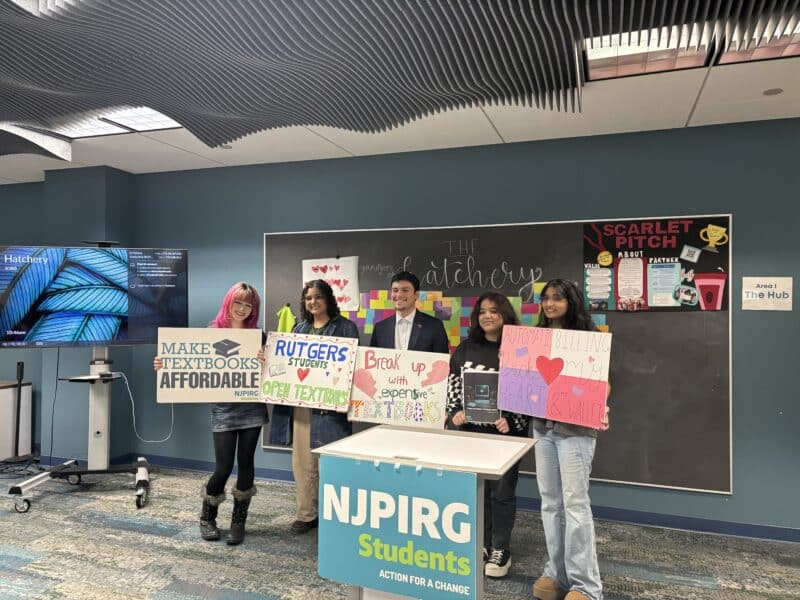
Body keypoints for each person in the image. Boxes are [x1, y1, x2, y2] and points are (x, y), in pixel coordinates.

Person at [153, 282, 266, 546]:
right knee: (223, 467)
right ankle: (207, 517)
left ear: (253, 309)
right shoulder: (211, 332)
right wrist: (164, 364)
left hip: (252, 407)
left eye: (248, 305)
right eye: (238, 302)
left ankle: (238, 521)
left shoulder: (258, 335)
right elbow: (187, 362)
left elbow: (272, 372)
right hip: (224, 409)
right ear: (229, 302)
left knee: (246, 464)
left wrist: (265, 361)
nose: (242, 309)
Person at [532, 279, 611, 600]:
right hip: (543, 428)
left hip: (575, 430)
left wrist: (600, 405)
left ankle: (586, 586)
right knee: (550, 503)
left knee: (575, 504)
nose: (550, 304)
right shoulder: (537, 337)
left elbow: (602, 381)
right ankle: (557, 574)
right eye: (546, 298)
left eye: (557, 298)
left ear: (571, 302)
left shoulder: (588, 337)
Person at [446, 291, 530, 578]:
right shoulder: (466, 348)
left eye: (494, 311)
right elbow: (454, 384)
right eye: (482, 311)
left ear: (505, 314)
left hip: (507, 436)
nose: (487, 316)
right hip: (472, 433)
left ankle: (501, 548)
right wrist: (455, 411)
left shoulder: (519, 350)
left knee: (502, 492)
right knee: (478, 490)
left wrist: (513, 420)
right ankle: (481, 543)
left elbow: (528, 391)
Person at [269, 279, 359, 534]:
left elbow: (354, 367)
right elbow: (286, 366)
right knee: (303, 463)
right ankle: (306, 514)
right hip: (302, 407)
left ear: (328, 299)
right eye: (308, 298)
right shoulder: (299, 329)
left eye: (318, 297)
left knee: (332, 463)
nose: (313, 302)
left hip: (332, 409)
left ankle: (335, 515)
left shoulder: (346, 328)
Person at [369, 271, 449, 353]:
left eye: (405, 290)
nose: (399, 295)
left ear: (416, 295)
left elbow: (441, 360)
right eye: (395, 290)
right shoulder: (380, 328)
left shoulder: (435, 326)